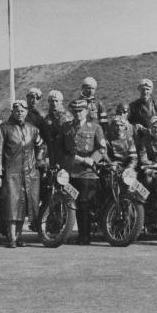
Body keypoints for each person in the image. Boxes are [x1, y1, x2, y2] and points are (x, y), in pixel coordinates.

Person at [0, 100, 47, 248]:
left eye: (23, 111)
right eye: (17, 110)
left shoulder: (33, 129)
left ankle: (19, 236)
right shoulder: (4, 129)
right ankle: (11, 237)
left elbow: (41, 145)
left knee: (24, 206)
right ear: (12, 111)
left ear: (27, 112)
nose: (20, 113)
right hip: (11, 173)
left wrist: (39, 159)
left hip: (30, 173)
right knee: (12, 205)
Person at [60, 98, 106, 245]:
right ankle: (65, 233)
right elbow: (61, 148)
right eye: (75, 111)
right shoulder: (66, 127)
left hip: (88, 173)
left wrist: (93, 160)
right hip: (70, 172)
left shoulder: (95, 127)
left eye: (81, 111)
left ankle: (84, 236)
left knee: (84, 203)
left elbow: (102, 148)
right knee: (69, 201)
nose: (78, 114)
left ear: (86, 111)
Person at [43, 89, 72, 169]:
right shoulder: (46, 118)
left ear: (61, 101)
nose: (54, 103)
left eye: (56, 101)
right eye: (51, 101)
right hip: (51, 153)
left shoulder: (67, 117)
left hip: (64, 153)